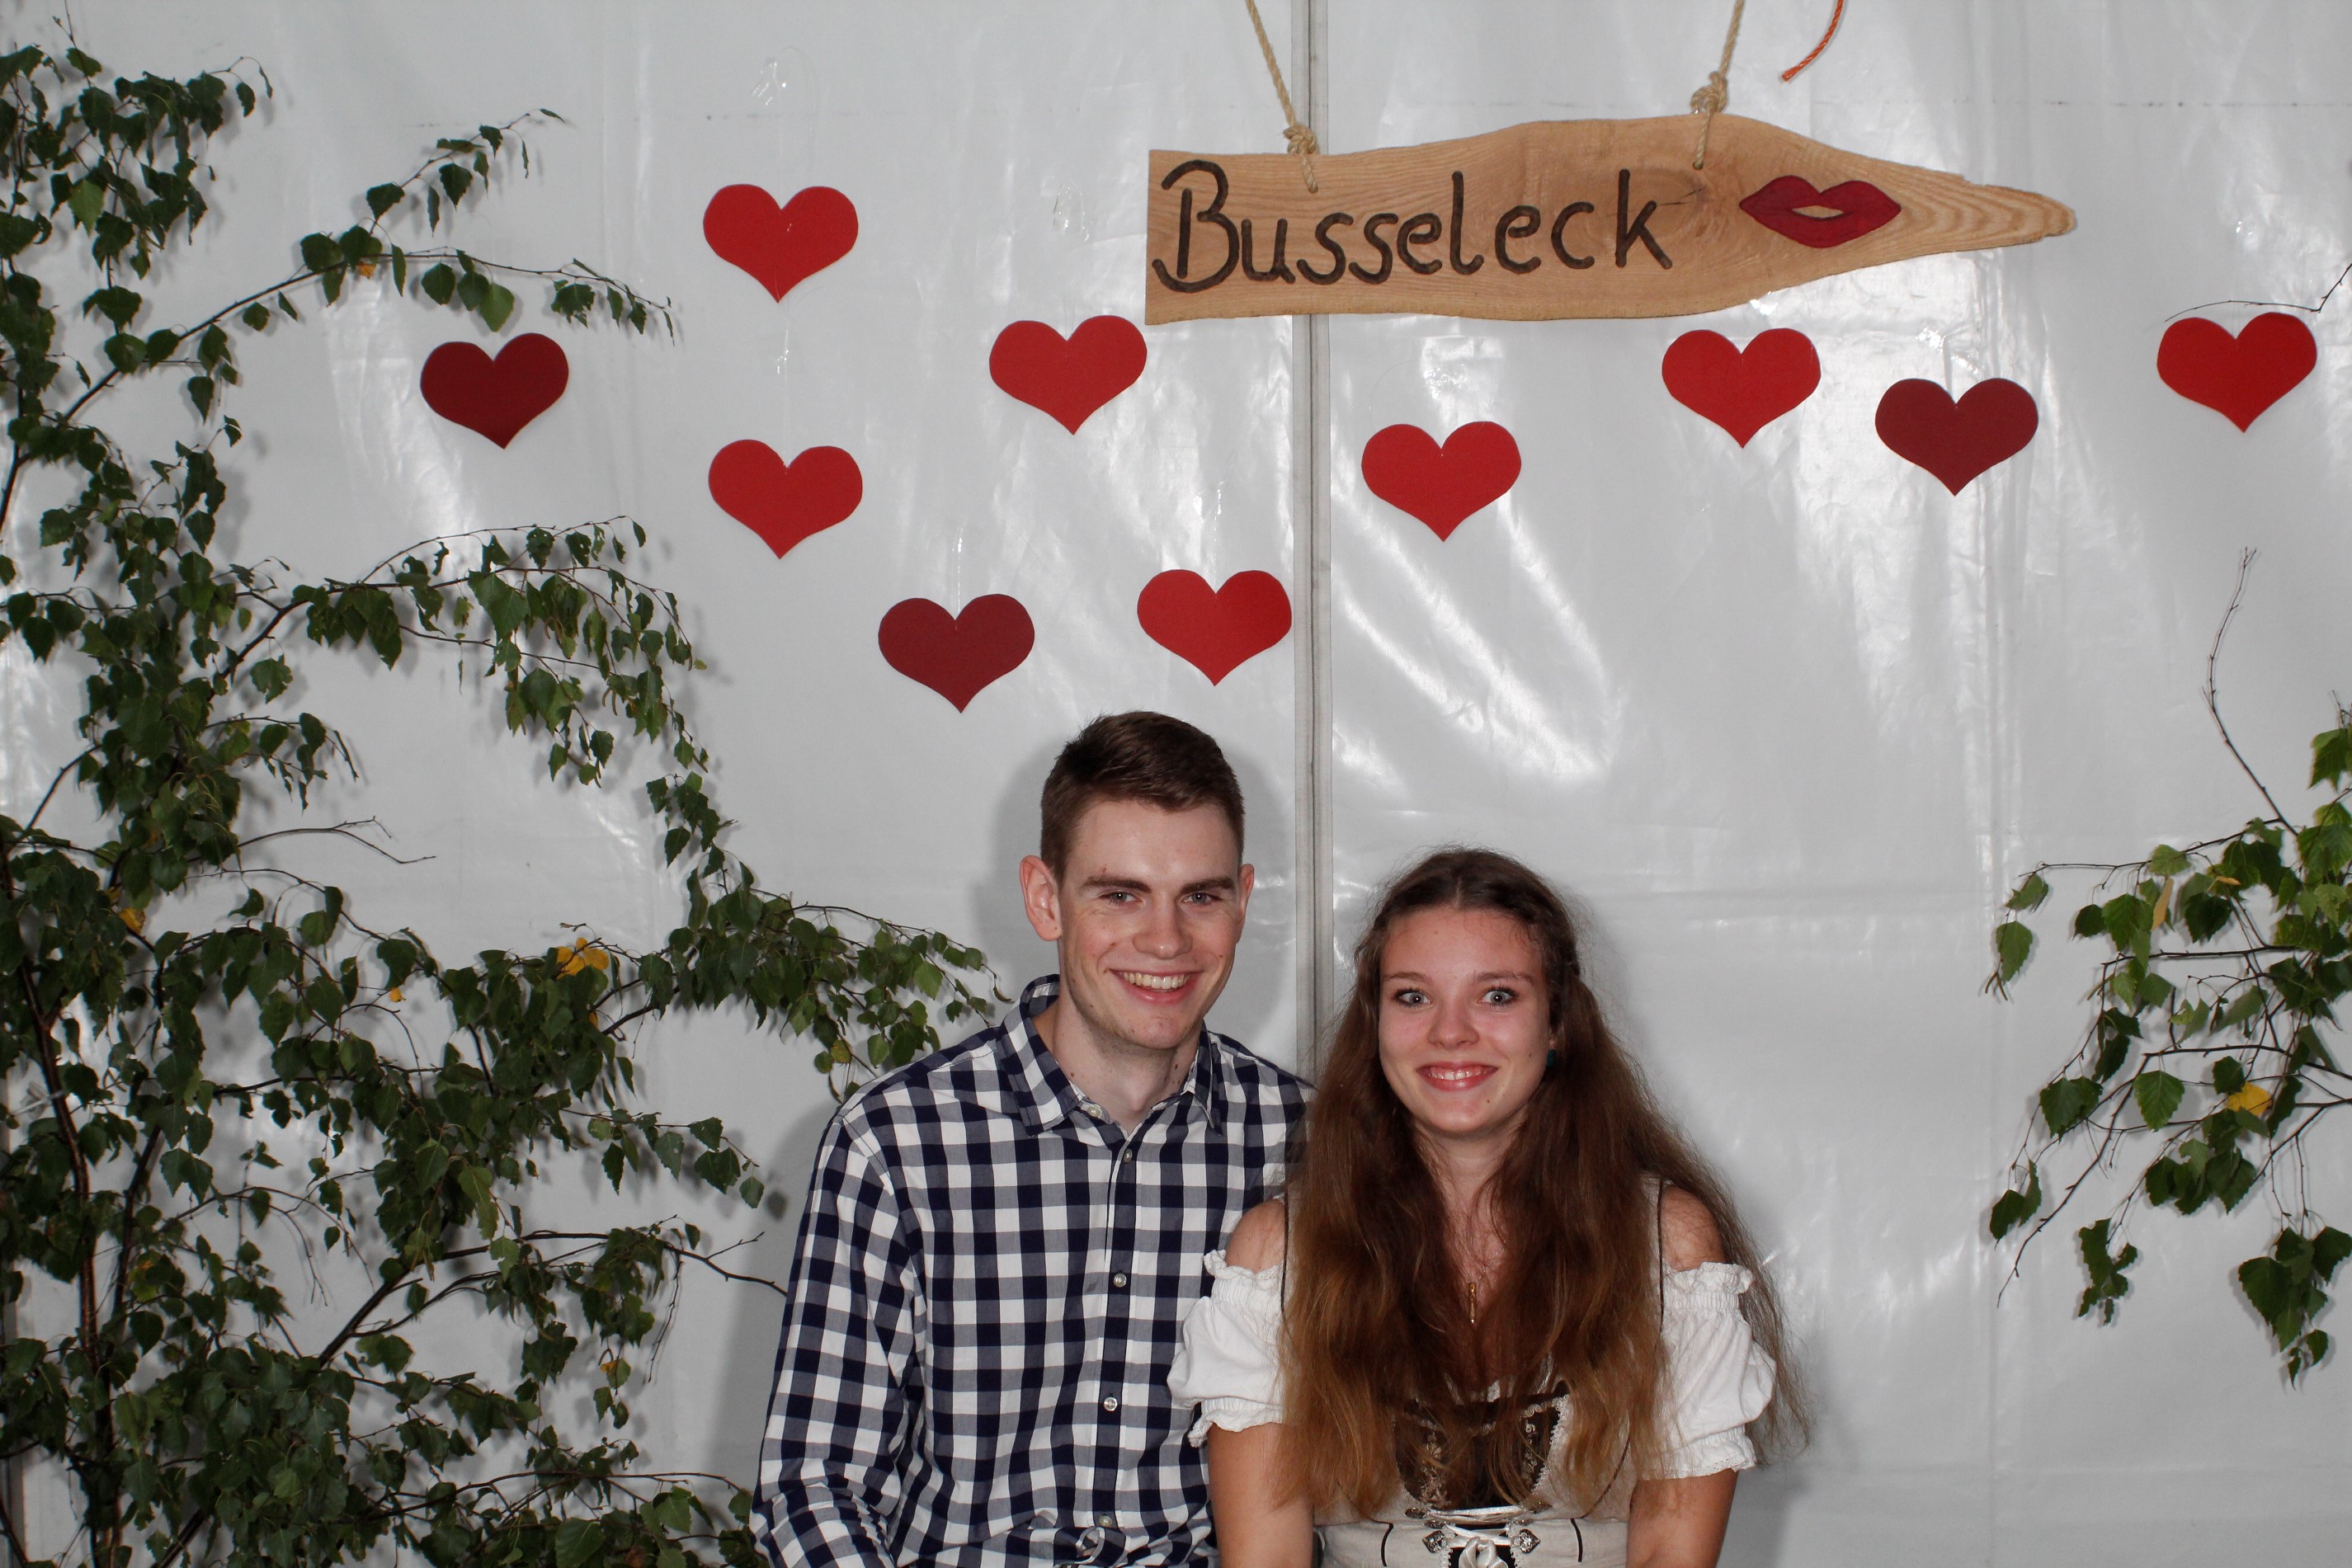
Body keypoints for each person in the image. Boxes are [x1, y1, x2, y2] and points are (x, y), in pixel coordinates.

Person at [752, 712, 1309, 1568]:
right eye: (1120, 894)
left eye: (1199, 896)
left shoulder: (1307, 1141)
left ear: (1242, 898)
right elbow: (812, 1485)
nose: (1166, 939)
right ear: (1045, 898)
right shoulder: (897, 1142)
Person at [1170, 849, 1797, 1568]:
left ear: (1557, 1022)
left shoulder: (1666, 1244)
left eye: (1496, 995)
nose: (1451, 1031)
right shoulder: (1278, 1253)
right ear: (1375, 1025)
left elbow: (1670, 1555)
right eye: (1413, 996)